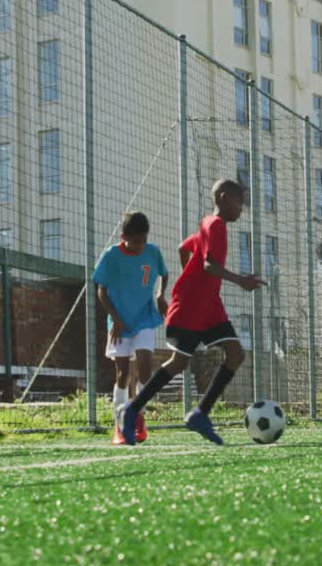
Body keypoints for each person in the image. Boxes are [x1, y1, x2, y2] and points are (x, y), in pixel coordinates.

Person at [118, 180, 265, 446]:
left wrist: (192, 276)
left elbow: (183, 248)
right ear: (223, 198)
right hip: (191, 306)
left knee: (236, 353)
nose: (242, 208)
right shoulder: (216, 225)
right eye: (239, 202)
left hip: (209, 306)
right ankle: (131, 409)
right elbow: (209, 265)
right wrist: (240, 280)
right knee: (178, 363)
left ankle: (200, 413)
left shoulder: (207, 225)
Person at [94, 211, 169, 445]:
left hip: (144, 318)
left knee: (146, 367)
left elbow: (163, 274)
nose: (140, 246)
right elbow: (101, 290)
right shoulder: (112, 256)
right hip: (120, 322)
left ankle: (137, 417)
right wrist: (115, 318)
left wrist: (160, 295)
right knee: (122, 374)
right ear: (124, 236)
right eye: (135, 241)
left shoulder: (153, 252)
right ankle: (119, 424)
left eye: (143, 240)